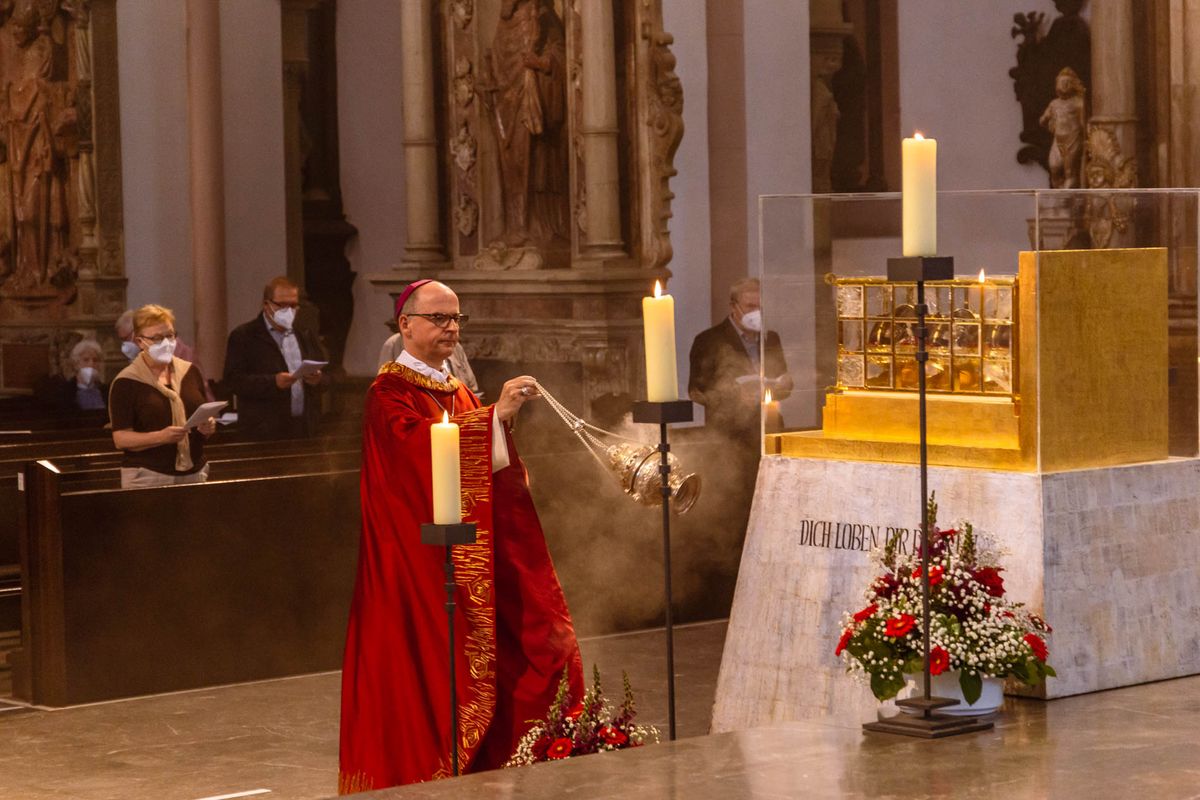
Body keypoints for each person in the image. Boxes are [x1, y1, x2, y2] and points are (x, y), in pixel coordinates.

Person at [339, 279, 583, 792]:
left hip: (465, 545)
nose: (451, 328)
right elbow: (415, 457)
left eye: (456, 319)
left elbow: (478, 454)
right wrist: (495, 417)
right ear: (405, 324)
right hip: (415, 560)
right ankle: (427, 768)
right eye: (439, 319)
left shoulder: (455, 387)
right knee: (427, 663)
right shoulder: (389, 393)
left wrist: (497, 427)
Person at [108, 304, 216, 489]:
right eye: (157, 338)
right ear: (140, 342)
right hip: (148, 476)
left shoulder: (189, 371)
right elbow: (121, 438)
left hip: (194, 472)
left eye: (169, 335)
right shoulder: (126, 382)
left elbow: (200, 410)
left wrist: (208, 425)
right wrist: (160, 437)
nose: (166, 343)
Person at [688, 277, 792, 445]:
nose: (756, 312)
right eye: (750, 306)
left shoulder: (771, 338)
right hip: (729, 436)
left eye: (759, 307)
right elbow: (697, 391)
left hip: (769, 428)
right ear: (733, 307)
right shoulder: (708, 340)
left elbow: (781, 381)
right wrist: (736, 396)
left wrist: (784, 384)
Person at [222, 277, 328, 438]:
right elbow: (233, 382)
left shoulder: (304, 333)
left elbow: (331, 373)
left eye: (293, 306)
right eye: (282, 305)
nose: (288, 311)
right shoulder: (245, 336)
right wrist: (273, 382)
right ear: (267, 305)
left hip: (304, 429)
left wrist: (318, 379)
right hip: (264, 433)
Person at [378, 333, 481, 397]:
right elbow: (386, 390)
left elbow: (472, 387)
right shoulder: (393, 344)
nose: (453, 327)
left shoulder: (455, 346)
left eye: (455, 318)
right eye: (439, 318)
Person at [1039, 67, 1086, 190]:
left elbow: (1084, 124)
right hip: (1058, 141)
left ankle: (1067, 200)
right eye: (1061, 82)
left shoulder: (1079, 103)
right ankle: (1060, 194)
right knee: (1054, 167)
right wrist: (1050, 124)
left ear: (1073, 84)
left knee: (1070, 172)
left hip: (1073, 140)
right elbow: (1043, 120)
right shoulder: (1054, 104)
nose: (1064, 86)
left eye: (1067, 83)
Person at [35, 338, 108, 412]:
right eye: (86, 360)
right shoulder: (64, 392)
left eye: (95, 360)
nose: (91, 364)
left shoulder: (106, 391)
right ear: (76, 364)